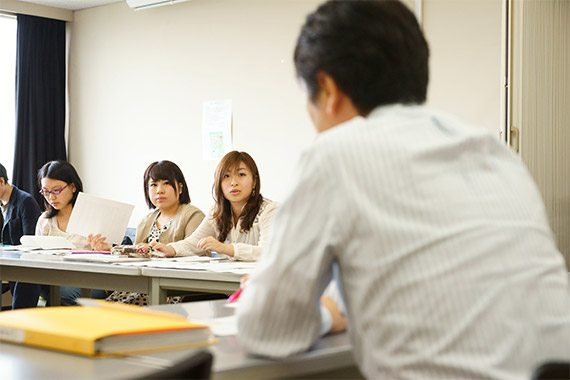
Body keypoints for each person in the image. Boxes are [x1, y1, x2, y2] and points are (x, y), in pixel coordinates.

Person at [236, 1, 570, 379]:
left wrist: (324, 313)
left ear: (327, 89)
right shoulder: (494, 153)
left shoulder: (334, 155)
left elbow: (267, 330)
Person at [90, 160, 205, 305]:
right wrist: (111, 249)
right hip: (141, 286)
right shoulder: (146, 220)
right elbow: (137, 257)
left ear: (180, 188)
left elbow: (197, 252)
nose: (159, 190)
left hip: (174, 289)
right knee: (102, 310)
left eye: (166, 183)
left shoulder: (193, 215)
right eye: (153, 185)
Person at [152, 151, 278, 261]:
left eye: (241, 175)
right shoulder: (217, 210)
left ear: (254, 181)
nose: (233, 183)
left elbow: (268, 252)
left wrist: (226, 248)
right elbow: (195, 242)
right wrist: (170, 249)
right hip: (225, 282)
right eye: (226, 176)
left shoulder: (270, 210)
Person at [36, 160, 108, 306]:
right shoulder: (45, 220)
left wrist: (102, 251)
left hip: (91, 280)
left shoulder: (94, 216)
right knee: (28, 285)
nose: (51, 197)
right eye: (46, 191)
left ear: (73, 187)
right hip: (54, 278)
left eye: (56, 190)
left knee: (61, 294)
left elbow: (111, 258)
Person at [0, 163, 42, 309]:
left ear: (1, 181)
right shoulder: (2, 205)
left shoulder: (25, 202)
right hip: (11, 266)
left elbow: (31, 243)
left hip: (27, 269)